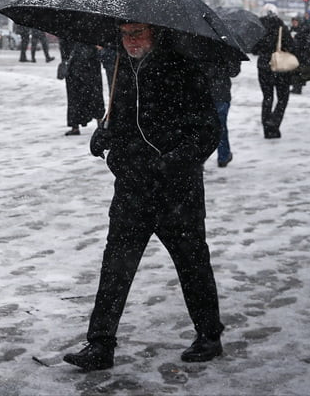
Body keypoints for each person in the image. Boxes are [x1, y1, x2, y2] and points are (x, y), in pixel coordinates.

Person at [64, 21, 223, 371]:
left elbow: (209, 130)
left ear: (156, 32)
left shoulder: (184, 69)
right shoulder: (122, 66)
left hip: (176, 190)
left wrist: (176, 161)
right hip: (133, 186)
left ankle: (209, 335)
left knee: (192, 261)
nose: (129, 40)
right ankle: (100, 344)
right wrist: (105, 137)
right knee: (115, 267)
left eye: (136, 33)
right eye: (124, 34)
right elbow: (121, 121)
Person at [250, 5, 293, 139]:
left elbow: (254, 49)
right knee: (283, 98)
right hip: (280, 67)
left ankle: (266, 129)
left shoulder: (258, 28)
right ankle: (274, 122)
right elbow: (291, 45)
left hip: (263, 66)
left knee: (267, 97)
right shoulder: (282, 27)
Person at [60, 38, 105, 136]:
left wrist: (65, 59)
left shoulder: (66, 27)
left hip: (77, 63)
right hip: (88, 63)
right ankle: (99, 121)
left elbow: (63, 44)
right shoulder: (90, 26)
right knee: (94, 93)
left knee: (75, 95)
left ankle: (75, 125)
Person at [209, 58, 241, 167]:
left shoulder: (196, 47)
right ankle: (223, 156)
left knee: (199, 127)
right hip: (220, 92)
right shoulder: (228, 48)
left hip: (202, 92)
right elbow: (234, 72)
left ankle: (198, 158)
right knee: (220, 126)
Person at [289, 13, 310, 94]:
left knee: (300, 73)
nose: (294, 23)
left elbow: (306, 42)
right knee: (294, 72)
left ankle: (298, 88)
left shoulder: (303, 30)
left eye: (295, 22)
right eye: (293, 22)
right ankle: (295, 87)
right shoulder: (292, 29)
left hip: (302, 55)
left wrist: (296, 39)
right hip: (293, 55)